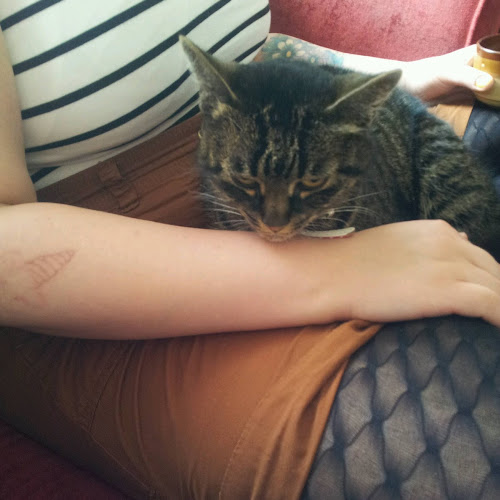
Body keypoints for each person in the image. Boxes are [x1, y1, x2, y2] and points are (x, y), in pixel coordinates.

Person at [0, 1, 498, 498]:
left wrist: (368, 88)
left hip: (256, 138)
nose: (274, 223)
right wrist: (341, 269)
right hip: (90, 270)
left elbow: (251, 53)